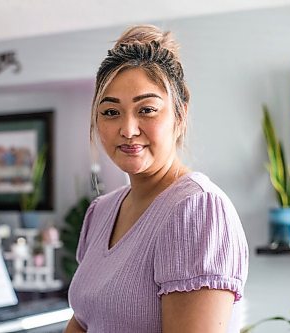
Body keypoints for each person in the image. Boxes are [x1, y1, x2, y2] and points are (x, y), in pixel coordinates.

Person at [65, 25, 248, 333]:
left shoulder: (197, 210)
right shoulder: (101, 211)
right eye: (111, 112)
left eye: (146, 109)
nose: (128, 129)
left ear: (180, 115)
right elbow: (85, 320)